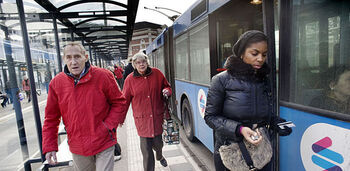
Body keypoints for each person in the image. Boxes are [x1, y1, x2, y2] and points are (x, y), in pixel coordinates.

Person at [204, 30, 292, 171]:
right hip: (231, 153)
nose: (260, 59)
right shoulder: (221, 80)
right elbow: (210, 117)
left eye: (264, 54)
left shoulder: (264, 80)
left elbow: (264, 116)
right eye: (254, 53)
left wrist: (275, 122)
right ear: (241, 53)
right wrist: (240, 129)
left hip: (261, 153)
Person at [42, 42, 127, 171]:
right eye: (69, 57)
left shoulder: (103, 76)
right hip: (78, 145)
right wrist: (50, 146)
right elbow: (51, 118)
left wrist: (108, 126)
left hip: (104, 141)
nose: (73, 61)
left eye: (77, 56)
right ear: (64, 59)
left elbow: (119, 102)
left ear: (85, 57)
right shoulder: (56, 83)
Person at [122, 52, 171, 171]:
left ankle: (159, 155)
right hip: (142, 120)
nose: (141, 64)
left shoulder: (157, 73)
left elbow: (167, 86)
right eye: (138, 63)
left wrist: (167, 91)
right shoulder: (129, 80)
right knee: (147, 151)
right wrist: (120, 118)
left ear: (147, 62)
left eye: (143, 61)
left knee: (158, 144)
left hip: (156, 116)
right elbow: (124, 100)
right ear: (134, 65)